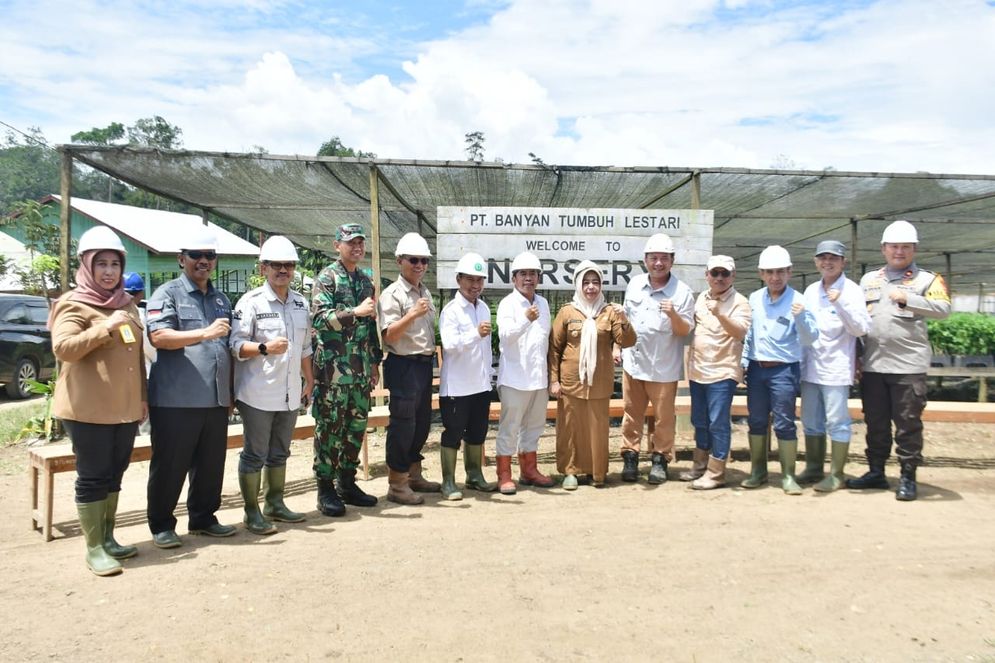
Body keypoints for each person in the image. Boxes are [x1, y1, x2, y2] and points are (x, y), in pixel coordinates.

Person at [49, 227, 147, 576]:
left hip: (123, 408)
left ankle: (108, 538)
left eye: (114, 264)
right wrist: (104, 328)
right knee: (92, 476)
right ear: (87, 266)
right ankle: (94, 549)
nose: (109, 271)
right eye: (101, 264)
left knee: (114, 473)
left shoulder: (126, 304)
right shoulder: (73, 304)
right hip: (87, 409)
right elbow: (63, 348)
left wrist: (142, 400)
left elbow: (136, 359)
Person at [145, 226, 236, 548]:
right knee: (171, 464)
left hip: (214, 398)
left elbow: (229, 346)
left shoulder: (221, 298)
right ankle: (161, 524)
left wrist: (230, 393)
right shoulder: (166, 294)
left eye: (209, 256)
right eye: (196, 255)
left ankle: (203, 517)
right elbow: (159, 337)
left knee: (211, 465)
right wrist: (204, 333)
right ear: (181, 259)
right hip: (176, 400)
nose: (203, 261)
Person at [847, 220, 950, 501]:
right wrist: (856, 357)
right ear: (883, 249)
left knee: (908, 424)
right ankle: (876, 472)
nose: (899, 251)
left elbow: (943, 309)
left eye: (905, 246)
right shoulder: (869, 280)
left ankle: (908, 476)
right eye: (894, 246)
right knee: (876, 422)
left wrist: (909, 299)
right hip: (874, 365)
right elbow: (858, 320)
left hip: (908, 367)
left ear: (914, 249)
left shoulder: (927, 279)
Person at [230, 236, 313, 534]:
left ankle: (274, 503)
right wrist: (263, 348)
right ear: (263, 268)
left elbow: (305, 348)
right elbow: (235, 345)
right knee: (255, 454)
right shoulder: (250, 303)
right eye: (276, 265)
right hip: (258, 393)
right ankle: (251, 512)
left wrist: (310, 380)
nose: (283, 270)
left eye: (288, 265)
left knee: (280, 452)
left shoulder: (301, 303)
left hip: (290, 392)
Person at [310, 223, 383, 516]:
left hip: (361, 371)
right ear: (336, 245)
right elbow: (319, 318)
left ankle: (347, 483)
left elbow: (370, 326)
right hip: (333, 373)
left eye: (360, 243)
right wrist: (355, 312)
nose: (357, 247)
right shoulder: (326, 278)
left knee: (355, 428)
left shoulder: (366, 281)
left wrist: (375, 362)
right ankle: (325, 488)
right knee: (329, 429)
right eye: (351, 242)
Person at [548, 260, 635, 489]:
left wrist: (625, 320)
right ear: (577, 284)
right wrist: (554, 380)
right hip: (571, 382)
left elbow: (627, 341)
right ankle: (570, 472)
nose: (590, 287)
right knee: (570, 427)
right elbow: (555, 348)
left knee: (597, 428)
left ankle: (596, 472)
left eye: (595, 282)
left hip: (599, 382)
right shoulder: (567, 311)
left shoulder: (610, 312)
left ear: (601, 285)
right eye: (585, 282)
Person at [741, 245, 818, 495]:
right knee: (756, 419)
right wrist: (744, 362)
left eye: (780, 272)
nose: (775, 277)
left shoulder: (798, 300)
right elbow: (749, 335)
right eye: (770, 272)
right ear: (761, 274)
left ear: (790, 272)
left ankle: (787, 475)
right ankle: (758, 471)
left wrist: (802, 317)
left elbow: (809, 339)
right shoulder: (754, 298)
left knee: (785, 421)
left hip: (784, 370)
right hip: (756, 368)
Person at [619, 233, 694, 484]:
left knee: (664, 419)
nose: (658, 263)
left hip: (663, 368)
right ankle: (630, 457)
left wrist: (673, 314)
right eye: (654, 258)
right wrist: (617, 348)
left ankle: (660, 459)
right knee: (631, 414)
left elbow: (685, 331)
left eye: (664, 258)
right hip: (634, 363)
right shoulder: (634, 285)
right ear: (645, 260)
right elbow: (625, 321)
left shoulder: (681, 292)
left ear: (672, 261)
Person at [799, 240, 871, 492]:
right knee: (810, 420)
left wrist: (839, 304)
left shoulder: (851, 291)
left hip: (836, 368)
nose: (827, 262)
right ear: (816, 261)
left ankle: (837, 474)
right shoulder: (810, 291)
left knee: (837, 421)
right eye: (822, 257)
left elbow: (861, 329)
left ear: (843, 262)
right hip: (810, 368)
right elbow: (805, 330)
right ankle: (814, 467)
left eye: (833, 258)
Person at [377, 232, 441, 505]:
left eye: (424, 261)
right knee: (403, 425)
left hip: (424, 364)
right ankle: (397, 484)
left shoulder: (423, 290)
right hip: (403, 364)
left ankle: (414, 474)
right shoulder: (393, 294)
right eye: (413, 260)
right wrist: (412, 314)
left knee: (421, 424)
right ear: (400, 261)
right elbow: (388, 335)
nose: (419, 265)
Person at [682, 255, 751, 490]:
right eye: (715, 273)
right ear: (707, 275)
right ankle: (699, 467)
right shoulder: (700, 298)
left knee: (718, 422)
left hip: (723, 372)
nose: (719, 278)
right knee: (699, 420)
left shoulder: (740, 302)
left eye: (724, 274)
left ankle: (716, 472)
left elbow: (741, 333)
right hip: (698, 371)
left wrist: (721, 314)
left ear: (733, 276)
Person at [495, 252, 554, 494]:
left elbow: (546, 341)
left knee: (535, 426)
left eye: (533, 274)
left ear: (539, 277)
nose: (528, 278)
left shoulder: (543, 303)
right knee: (510, 427)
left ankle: (529, 470)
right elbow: (505, 337)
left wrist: (551, 377)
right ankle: (504, 474)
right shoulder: (507, 304)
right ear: (514, 278)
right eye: (523, 274)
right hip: (514, 379)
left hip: (538, 378)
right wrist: (525, 320)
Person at [438, 252, 497, 499]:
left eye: (479, 280)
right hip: (457, 387)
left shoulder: (483, 307)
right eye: (470, 280)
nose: (475, 286)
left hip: (480, 385)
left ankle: (474, 475)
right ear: (459, 279)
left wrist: (490, 375)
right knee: (453, 432)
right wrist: (475, 333)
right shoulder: (451, 311)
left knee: (478, 431)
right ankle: (448, 482)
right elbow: (450, 345)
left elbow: (485, 348)